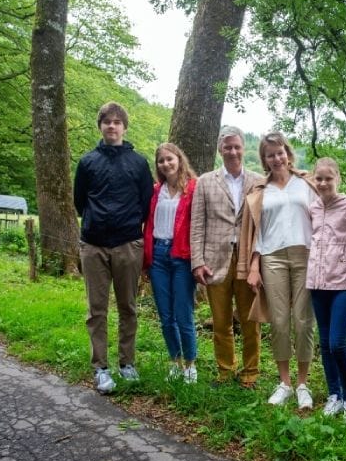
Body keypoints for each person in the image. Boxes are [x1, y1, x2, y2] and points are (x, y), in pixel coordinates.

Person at [73, 101, 153, 394]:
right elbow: (79, 201)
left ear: (124, 127)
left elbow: (146, 204)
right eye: (107, 121)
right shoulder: (87, 162)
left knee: (128, 307)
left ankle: (127, 363)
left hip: (128, 244)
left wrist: (129, 229)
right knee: (97, 310)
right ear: (101, 126)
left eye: (117, 122)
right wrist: (97, 222)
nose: (112, 126)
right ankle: (101, 368)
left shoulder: (139, 163)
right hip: (93, 245)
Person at [238, 132, 318, 409]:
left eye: (279, 152)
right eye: (270, 155)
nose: (276, 158)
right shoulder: (259, 191)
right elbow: (256, 232)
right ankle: (284, 382)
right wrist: (253, 266)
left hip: (305, 255)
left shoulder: (307, 183)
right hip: (271, 258)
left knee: (303, 321)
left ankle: (303, 384)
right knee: (280, 321)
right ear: (264, 159)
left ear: (287, 152)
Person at [190, 126, 263, 388]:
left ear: (244, 148)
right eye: (227, 146)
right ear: (220, 149)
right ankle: (225, 370)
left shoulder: (257, 181)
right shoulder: (205, 181)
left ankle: (251, 372)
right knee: (221, 321)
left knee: (249, 319)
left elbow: (263, 224)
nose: (232, 151)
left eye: (237, 146)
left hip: (246, 260)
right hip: (214, 261)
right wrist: (197, 261)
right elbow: (197, 224)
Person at [306, 158, 346, 416]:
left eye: (328, 178)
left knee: (337, 343)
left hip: (343, 281)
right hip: (318, 283)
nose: (323, 183)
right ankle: (335, 394)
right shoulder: (313, 207)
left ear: (337, 179)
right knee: (324, 341)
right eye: (318, 178)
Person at [143, 143, 199, 383]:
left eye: (170, 159)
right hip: (158, 256)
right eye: (161, 161)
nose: (166, 164)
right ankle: (175, 362)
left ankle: (190, 365)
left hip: (182, 257)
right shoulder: (156, 191)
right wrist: (145, 260)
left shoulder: (194, 188)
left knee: (183, 314)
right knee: (166, 316)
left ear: (179, 158)